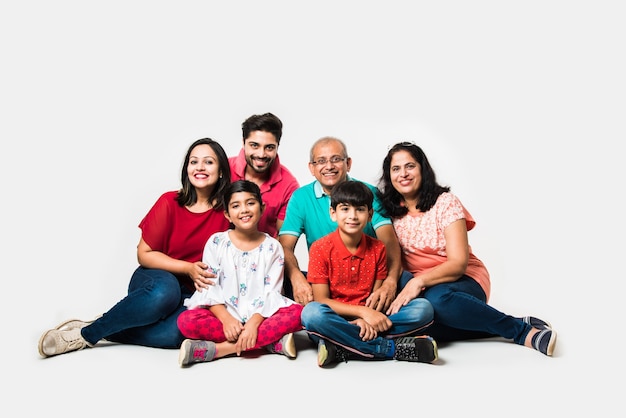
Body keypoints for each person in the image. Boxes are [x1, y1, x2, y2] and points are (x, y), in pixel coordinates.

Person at [38, 138, 232, 357]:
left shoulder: (229, 212)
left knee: (177, 334)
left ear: (222, 171)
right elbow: (144, 254)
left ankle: (103, 327)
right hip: (155, 280)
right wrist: (187, 268)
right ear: (187, 168)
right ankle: (85, 335)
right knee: (165, 293)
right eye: (194, 161)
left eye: (208, 162)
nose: (200, 167)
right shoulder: (170, 202)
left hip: (193, 294)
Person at [377, 142, 557, 356]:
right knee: (412, 322)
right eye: (396, 169)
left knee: (437, 301)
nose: (403, 174)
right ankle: (500, 323)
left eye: (410, 166)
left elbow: (458, 263)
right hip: (417, 290)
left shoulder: (445, 203)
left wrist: (419, 281)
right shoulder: (388, 211)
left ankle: (521, 331)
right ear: (389, 175)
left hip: (461, 282)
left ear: (422, 169)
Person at [301, 180, 437, 367]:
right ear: (333, 213)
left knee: (423, 309)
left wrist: (368, 317)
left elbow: (376, 297)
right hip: (336, 320)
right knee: (311, 314)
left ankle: (341, 347)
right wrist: (361, 314)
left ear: (370, 215)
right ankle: (388, 348)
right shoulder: (320, 249)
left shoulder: (378, 248)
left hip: (369, 320)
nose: (353, 216)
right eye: (345, 209)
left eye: (360, 209)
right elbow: (321, 300)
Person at [176, 180, 303, 367]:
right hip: (224, 318)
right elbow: (209, 288)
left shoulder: (273, 247)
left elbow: (272, 293)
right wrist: (227, 320)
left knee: (299, 314)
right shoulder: (216, 242)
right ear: (227, 214)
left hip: (261, 318)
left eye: (250, 203)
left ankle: (220, 350)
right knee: (186, 321)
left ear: (262, 207)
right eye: (236, 205)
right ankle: (269, 344)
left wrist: (253, 324)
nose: (244, 210)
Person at [278, 136, 409, 311]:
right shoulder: (301, 197)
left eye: (336, 159)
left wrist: (390, 282)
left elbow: (389, 241)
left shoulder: (368, 193)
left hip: (370, 280)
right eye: (321, 161)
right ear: (312, 167)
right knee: (291, 292)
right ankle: (365, 327)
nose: (329, 166)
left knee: (414, 295)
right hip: (326, 281)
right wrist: (296, 278)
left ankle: (349, 328)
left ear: (348, 163)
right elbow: (285, 246)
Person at [229, 112, 299, 238]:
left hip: (265, 255)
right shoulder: (224, 169)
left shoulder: (289, 185)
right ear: (243, 142)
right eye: (254, 145)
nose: (261, 154)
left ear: (278, 146)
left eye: (269, 147)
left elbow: (283, 238)